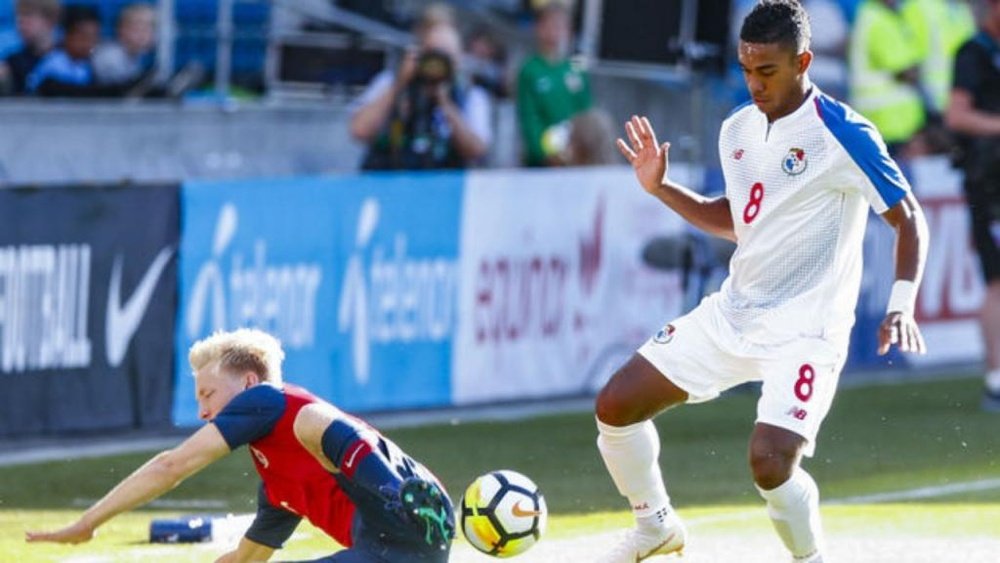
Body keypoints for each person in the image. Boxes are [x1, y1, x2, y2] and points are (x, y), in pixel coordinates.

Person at [596, 1, 929, 562]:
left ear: (803, 61)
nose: (754, 83)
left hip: (807, 330)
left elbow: (908, 218)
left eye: (767, 71)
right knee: (615, 405)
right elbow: (740, 222)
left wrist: (902, 303)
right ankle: (655, 526)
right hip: (735, 313)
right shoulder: (737, 130)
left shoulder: (843, 132)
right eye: (747, 69)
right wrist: (662, 189)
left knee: (770, 462)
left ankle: (811, 558)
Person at [25, 328, 455, 561]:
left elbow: (171, 467)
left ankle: (395, 496)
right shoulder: (277, 487)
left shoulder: (271, 400)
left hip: (404, 527)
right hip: (394, 547)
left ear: (248, 383)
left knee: (315, 424)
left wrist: (89, 523)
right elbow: (248, 559)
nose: (203, 412)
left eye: (207, 395)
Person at [349, 4, 492, 170]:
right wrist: (399, 86)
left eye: (446, 57)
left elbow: (477, 151)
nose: (437, 65)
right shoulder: (391, 81)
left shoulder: (471, 94)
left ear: (458, 59)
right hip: (389, 181)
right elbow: (359, 131)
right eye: (433, 54)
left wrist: (445, 104)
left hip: (446, 187)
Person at [945, 0, 1000, 411]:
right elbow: (957, 115)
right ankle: (996, 380)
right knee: (998, 281)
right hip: (990, 183)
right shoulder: (974, 52)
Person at [516, 2, 592, 167]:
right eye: (550, 25)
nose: (555, 31)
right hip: (543, 159)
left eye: (560, 26)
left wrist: (580, 149)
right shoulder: (530, 70)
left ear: (569, 31)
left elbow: (587, 111)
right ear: (539, 28)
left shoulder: (576, 68)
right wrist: (543, 153)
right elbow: (529, 118)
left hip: (576, 154)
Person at [848, 0, 926, 154]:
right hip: (889, 123)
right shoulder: (879, 19)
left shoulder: (873, 15)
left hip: (885, 121)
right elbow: (905, 71)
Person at [0, 0, 60, 95]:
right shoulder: (13, 62)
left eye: (28, 16)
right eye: (18, 16)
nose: (20, 23)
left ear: (50, 21)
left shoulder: (70, 57)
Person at [92, 2, 156, 86]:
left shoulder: (136, 56)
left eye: (149, 29)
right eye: (138, 28)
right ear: (122, 29)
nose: (145, 35)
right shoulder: (109, 57)